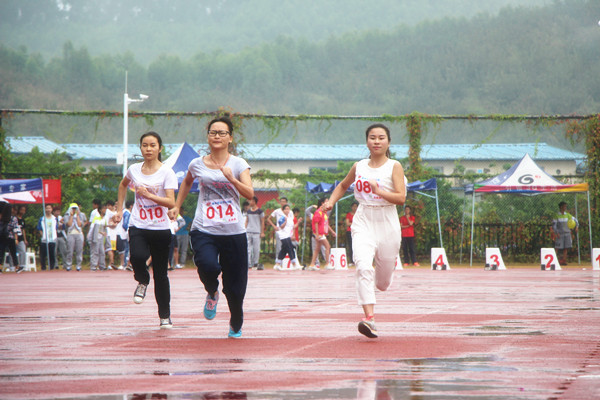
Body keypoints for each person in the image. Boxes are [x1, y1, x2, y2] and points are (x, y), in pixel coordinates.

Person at [168, 116, 254, 338]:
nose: (217, 136)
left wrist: (232, 179)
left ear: (230, 138)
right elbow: (187, 182)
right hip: (204, 228)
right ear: (208, 137)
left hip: (233, 231)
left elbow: (249, 193)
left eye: (222, 133)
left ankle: (235, 322)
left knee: (235, 288)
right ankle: (212, 291)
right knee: (207, 265)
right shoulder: (196, 164)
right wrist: (176, 205)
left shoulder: (238, 164)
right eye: (213, 132)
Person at [323, 123, 406, 339]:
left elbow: (401, 197)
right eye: (372, 137)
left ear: (388, 142)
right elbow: (343, 185)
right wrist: (331, 202)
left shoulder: (394, 166)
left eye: (381, 137)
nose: (376, 141)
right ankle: (369, 318)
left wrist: (379, 191)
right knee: (362, 265)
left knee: (382, 283)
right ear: (367, 141)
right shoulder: (359, 166)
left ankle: (381, 281)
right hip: (363, 219)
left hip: (387, 220)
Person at [113, 131, 177, 329]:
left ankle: (164, 316)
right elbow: (123, 185)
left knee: (161, 274)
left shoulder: (166, 172)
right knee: (137, 257)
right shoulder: (134, 169)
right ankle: (142, 280)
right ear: (140, 148)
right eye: (145, 145)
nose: (148, 149)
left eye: (152, 145)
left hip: (160, 228)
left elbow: (171, 202)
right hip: (138, 224)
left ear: (160, 148)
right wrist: (119, 210)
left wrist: (149, 195)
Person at [307, 198, 334, 270]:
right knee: (327, 246)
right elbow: (315, 223)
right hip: (320, 234)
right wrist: (317, 234)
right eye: (326, 202)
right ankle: (327, 263)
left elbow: (325, 224)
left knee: (317, 249)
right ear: (322, 204)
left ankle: (312, 264)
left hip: (322, 233)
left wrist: (332, 232)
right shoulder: (318, 212)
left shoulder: (324, 213)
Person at [273, 204, 302, 270]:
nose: (287, 210)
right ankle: (294, 264)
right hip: (283, 236)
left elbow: (293, 227)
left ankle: (277, 264)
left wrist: (298, 222)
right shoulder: (282, 218)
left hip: (288, 235)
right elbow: (281, 227)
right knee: (290, 248)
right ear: (283, 210)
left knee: (284, 249)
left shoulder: (290, 218)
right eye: (285, 209)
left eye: (288, 209)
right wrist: (285, 221)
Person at [551, 201, 578, 265]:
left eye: (566, 206)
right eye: (564, 206)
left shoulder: (568, 215)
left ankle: (564, 260)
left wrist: (577, 226)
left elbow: (575, 220)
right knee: (557, 247)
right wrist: (556, 232)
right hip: (560, 234)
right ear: (561, 207)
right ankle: (553, 260)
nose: (565, 207)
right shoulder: (556, 215)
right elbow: (554, 225)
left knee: (566, 247)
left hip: (567, 233)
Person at [64, 203, 87, 271]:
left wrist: (77, 216)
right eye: (73, 209)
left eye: (75, 209)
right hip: (71, 233)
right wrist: (71, 216)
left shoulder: (81, 215)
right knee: (70, 250)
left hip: (79, 233)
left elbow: (80, 224)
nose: (74, 210)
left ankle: (79, 265)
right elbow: (69, 224)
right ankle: (68, 265)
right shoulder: (66, 215)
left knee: (79, 250)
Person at [37, 204, 58, 271]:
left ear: (51, 209)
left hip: (52, 239)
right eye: (47, 208)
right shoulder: (42, 219)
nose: (48, 210)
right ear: (45, 209)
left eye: (49, 208)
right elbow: (40, 229)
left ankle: (51, 267)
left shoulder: (54, 219)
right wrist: (43, 235)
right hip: (45, 239)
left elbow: (56, 228)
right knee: (43, 254)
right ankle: (43, 267)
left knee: (52, 253)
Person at [246, 196, 264, 270]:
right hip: (248, 231)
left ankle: (255, 262)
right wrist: (244, 229)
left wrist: (262, 232)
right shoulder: (248, 211)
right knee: (248, 248)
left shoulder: (260, 211)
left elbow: (262, 222)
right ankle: (248, 263)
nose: (249, 202)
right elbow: (247, 221)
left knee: (256, 248)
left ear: (254, 201)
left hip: (256, 232)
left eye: (251, 201)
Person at [89, 203, 108, 271]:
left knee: (102, 252)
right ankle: (93, 266)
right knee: (95, 252)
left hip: (101, 238)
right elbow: (94, 229)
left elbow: (105, 227)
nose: (105, 210)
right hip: (96, 237)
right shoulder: (96, 218)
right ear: (100, 210)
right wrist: (101, 232)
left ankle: (102, 265)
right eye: (104, 208)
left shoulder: (104, 219)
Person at [268, 197, 288, 261]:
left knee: (286, 246)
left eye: (284, 202)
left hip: (286, 232)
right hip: (279, 231)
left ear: (286, 202)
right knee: (279, 247)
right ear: (279, 202)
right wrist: (274, 226)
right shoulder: (277, 211)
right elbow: (269, 219)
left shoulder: (289, 211)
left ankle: (285, 261)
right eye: (281, 201)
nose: (283, 203)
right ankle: (278, 261)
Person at [15, 205, 28, 272]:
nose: (22, 211)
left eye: (24, 210)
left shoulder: (22, 220)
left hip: (21, 238)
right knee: (12, 252)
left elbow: (23, 230)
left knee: (23, 251)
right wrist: (15, 239)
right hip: (14, 237)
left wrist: (25, 239)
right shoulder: (14, 219)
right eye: (21, 210)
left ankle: (22, 265)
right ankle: (12, 266)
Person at [345, 202, 358, 266]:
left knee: (357, 246)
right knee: (351, 246)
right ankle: (351, 261)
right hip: (350, 231)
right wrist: (355, 224)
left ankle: (357, 260)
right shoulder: (349, 214)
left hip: (358, 231)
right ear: (351, 207)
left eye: (356, 206)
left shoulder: (359, 214)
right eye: (353, 206)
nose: (355, 208)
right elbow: (347, 223)